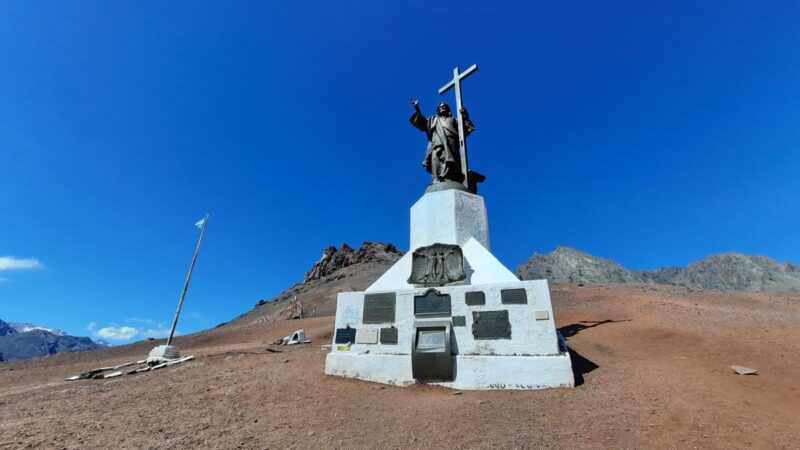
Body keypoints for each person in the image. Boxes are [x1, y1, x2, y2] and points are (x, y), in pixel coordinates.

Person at [409, 99, 474, 185]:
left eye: (444, 106)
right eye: (440, 106)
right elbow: (422, 122)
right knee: (436, 162)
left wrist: (466, 116)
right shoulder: (433, 120)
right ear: (438, 110)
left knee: (452, 164)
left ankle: (452, 180)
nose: (442, 107)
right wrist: (417, 108)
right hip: (437, 145)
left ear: (448, 109)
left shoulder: (454, 120)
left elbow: (466, 127)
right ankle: (436, 180)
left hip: (451, 145)